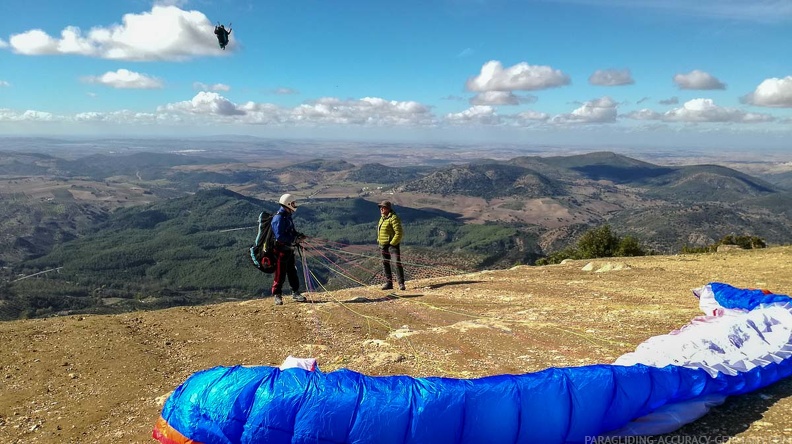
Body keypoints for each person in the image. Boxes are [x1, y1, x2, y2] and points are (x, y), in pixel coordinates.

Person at [270, 193, 306, 305]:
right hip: (280, 251)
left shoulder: (287, 216)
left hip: (288, 249)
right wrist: (294, 239)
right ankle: (277, 295)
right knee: (280, 273)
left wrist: (298, 235)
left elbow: (291, 231)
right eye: (293, 203)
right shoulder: (279, 218)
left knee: (292, 271)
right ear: (288, 204)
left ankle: (295, 292)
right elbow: (280, 236)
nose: (295, 205)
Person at [377, 200, 405, 291]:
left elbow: (399, 233)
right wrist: (379, 240)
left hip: (392, 245)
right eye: (380, 207)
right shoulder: (382, 218)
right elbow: (380, 231)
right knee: (385, 264)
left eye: (383, 207)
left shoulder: (394, 218)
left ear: (388, 209)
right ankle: (389, 283)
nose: (381, 209)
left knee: (396, 263)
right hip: (383, 245)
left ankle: (401, 283)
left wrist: (392, 244)